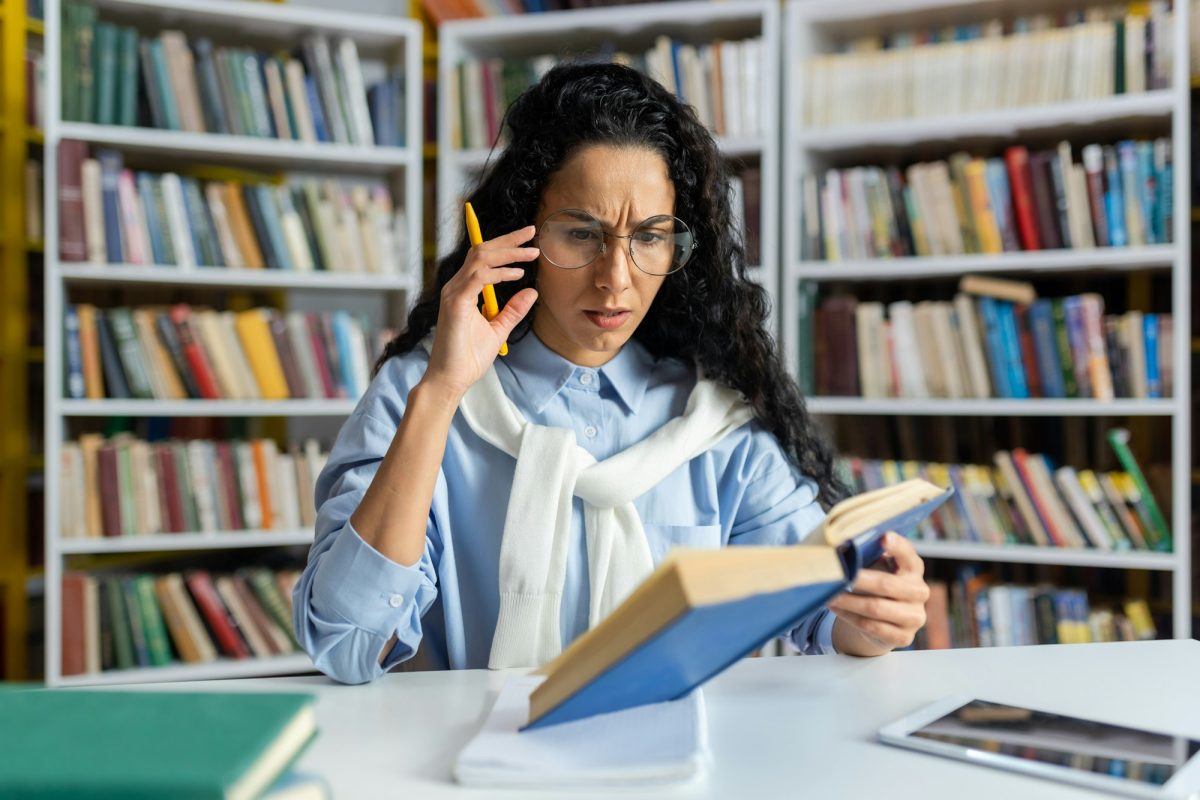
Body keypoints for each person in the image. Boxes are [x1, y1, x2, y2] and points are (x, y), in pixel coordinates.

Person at [293, 62, 929, 685]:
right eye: (582, 234)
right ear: (522, 235)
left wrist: (877, 616)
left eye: (649, 238)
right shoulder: (419, 392)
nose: (616, 280)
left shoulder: (712, 424)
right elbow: (346, 643)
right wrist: (441, 393)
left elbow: (823, 611)